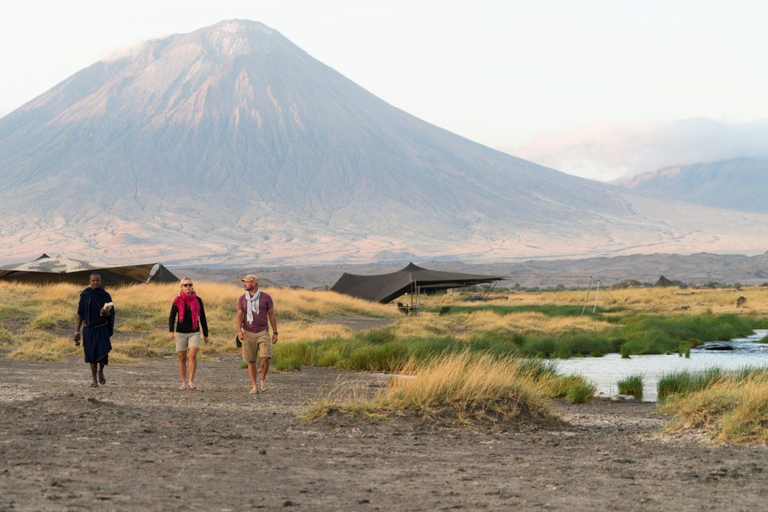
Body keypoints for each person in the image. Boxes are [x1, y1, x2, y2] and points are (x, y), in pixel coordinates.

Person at [236, 274, 278, 394]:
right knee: (251, 360)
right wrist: (239, 330)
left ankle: (262, 380)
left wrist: (275, 332)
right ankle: (254, 386)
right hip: (248, 332)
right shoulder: (242, 299)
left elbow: (271, 314)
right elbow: (239, 315)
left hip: (262, 331)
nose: (244, 284)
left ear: (253, 283)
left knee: (266, 357)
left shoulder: (266, 297)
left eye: (246, 282)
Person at [74, 273, 115, 388]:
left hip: (102, 328)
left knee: (103, 354)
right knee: (91, 355)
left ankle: (100, 371)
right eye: (93, 280)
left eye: (97, 280)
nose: (95, 282)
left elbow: (111, 313)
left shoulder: (105, 295)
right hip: (89, 329)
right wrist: (77, 332)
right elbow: (80, 316)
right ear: (90, 281)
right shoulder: (85, 295)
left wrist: (105, 312)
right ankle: (94, 380)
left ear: (100, 281)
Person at [169, 278, 209, 390]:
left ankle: (191, 381)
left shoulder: (198, 300)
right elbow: (172, 316)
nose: (188, 287)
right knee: (182, 358)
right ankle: (183, 382)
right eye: (185, 285)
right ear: (181, 287)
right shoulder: (177, 300)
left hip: (194, 331)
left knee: (192, 354)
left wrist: (206, 334)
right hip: (180, 332)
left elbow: (203, 318)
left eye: (190, 285)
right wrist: (171, 331)